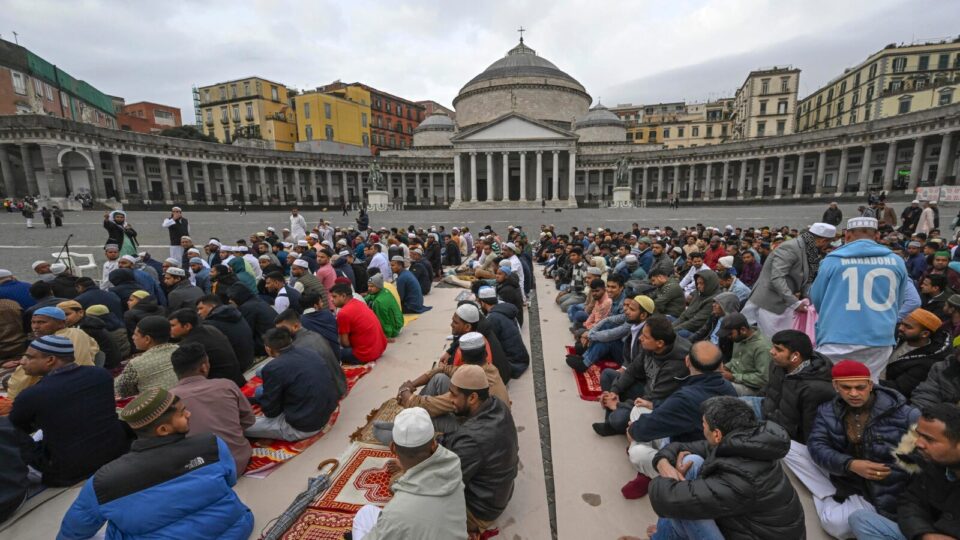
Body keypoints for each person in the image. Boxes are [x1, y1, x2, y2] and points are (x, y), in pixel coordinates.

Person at [57, 388, 254, 539]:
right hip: (235, 530)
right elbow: (230, 480)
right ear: (162, 429)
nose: (189, 415)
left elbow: (74, 531)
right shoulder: (211, 444)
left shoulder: (103, 482)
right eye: (182, 412)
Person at [647, 396, 805, 540]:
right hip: (747, 526)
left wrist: (668, 477)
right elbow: (684, 447)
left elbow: (667, 498)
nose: (702, 429)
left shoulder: (742, 479)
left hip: (752, 533)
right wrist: (663, 461)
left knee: (681, 509)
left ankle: (664, 535)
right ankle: (668, 533)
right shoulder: (745, 441)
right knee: (691, 461)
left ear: (717, 434)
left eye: (703, 424)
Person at [794, 360, 919, 539]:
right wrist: (850, 464)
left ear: (870, 385)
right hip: (847, 474)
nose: (853, 393)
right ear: (835, 386)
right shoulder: (827, 410)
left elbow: (923, 459)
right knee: (788, 449)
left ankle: (833, 499)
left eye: (860, 387)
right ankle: (832, 494)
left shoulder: (906, 414)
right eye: (846, 387)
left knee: (836, 526)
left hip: (884, 487)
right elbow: (817, 445)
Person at [620, 341, 737, 499]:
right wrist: (654, 404)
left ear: (687, 361)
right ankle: (651, 467)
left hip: (688, 454)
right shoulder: (729, 388)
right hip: (692, 442)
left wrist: (632, 431)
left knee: (636, 451)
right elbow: (672, 409)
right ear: (721, 366)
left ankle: (654, 474)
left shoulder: (688, 397)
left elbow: (646, 428)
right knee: (639, 409)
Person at [9, 335, 130, 487]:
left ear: (50, 360)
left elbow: (14, 429)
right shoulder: (100, 374)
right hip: (116, 453)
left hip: (66, 473)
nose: (22, 362)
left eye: (29, 357)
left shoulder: (32, 395)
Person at [810, 217, 914, 380]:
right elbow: (899, 301)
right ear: (877, 236)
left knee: (833, 383)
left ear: (848, 236)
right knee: (868, 383)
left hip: (837, 336)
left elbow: (817, 298)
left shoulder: (832, 261)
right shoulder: (896, 261)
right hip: (880, 336)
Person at [846, 403, 960, 539]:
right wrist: (925, 534)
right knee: (861, 519)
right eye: (919, 435)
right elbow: (910, 502)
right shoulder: (933, 463)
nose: (918, 443)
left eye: (929, 439)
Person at [351, 407, 467, 540]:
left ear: (393, 448)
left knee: (364, 514)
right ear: (434, 444)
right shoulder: (452, 464)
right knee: (370, 513)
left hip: (401, 519)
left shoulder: (395, 512)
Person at [443, 365, 519, 536]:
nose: (449, 399)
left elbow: (445, 484)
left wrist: (408, 470)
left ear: (473, 397)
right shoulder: (496, 404)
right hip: (497, 493)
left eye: (454, 394)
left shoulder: (471, 439)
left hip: (480, 510)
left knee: (407, 492)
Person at [594, 314, 690, 436]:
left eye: (645, 336)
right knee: (607, 375)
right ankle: (612, 414)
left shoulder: (676, 364)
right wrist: (614, 392)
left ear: (660, 343)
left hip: (655, 404)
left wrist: (619, 405)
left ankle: (613, 419)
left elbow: (654, 398)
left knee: (618, 419)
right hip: (644, 388)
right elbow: (632, 370)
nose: (640, 338)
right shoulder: (650, 345)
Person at [170, 343, 255, 473]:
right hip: (239, 460)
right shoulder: (226, 385)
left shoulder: (169, 399)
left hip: (202, 471)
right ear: (204, 367)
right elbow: (249, 419)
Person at [741, 329, 835, 445]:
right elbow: (769, 388)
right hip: (767, 410)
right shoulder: (779, 364)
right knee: (726, 409)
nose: (772, 352)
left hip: (785, 432)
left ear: (795, 356)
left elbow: (810, 430)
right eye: (773, 347)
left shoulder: (814, 388)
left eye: (779, 350)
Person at [743, 222, 834, 338]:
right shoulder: (790, 248)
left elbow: (807, 282)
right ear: (823, 241)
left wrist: (817, 302)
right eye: (829, 243)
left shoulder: (810, 250)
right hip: (770, 302)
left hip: (785, 302)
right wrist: (795, 303)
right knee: (776, 343)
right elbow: (777, 278)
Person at [246, 328, 337, 441]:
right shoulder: (309, 351)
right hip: (325, 411)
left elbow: (270, 412)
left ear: (268, 349)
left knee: (242, 426)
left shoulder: (273, 368)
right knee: (261, 390)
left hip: (304, 426)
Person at [6, 306, 99, 401]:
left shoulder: (48, 341)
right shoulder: (79, 333)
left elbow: (21, 380)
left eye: (42, 322)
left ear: (61, 323)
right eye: (33, 322)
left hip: (55, 392)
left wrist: (12, 398)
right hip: (86, 383)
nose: (35, 327)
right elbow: (93, 349)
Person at [274, 309, 347, 399]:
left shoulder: (297, 348)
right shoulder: (314, 334)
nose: (279, 333)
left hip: (328, 394)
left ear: (295, 326)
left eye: (282, 330)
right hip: (340, 385)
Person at [881, 308, 950, 400]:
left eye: (908, 327)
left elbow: (900, 388)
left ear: (924, 334)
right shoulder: (901, 336)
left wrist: (868, 381)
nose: (900, 328)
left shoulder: (927, 362)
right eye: (902, 323)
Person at [168, 309, 245, 387]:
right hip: (237, 379)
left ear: (187, 326)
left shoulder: (188, 345)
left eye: (172, 326)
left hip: (222, 387)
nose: (169, 329)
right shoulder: (210, 328)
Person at [114, 316, 179, 398]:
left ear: (147, 339)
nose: (133, 337)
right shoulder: (179, 350)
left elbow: (122, 391)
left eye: (136, 334)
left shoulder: (137, 363)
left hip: (156, 406)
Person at [477, 287, 529, 378]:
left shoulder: (493, 318)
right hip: (521, 358)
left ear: (483, 303)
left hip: (514, 364)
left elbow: (490, 345)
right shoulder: (503, 309)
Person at [330, 282, 387, 364]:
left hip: (366, 354)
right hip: (380, 348)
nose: (331, 300)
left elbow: (345, 343)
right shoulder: (358, 302)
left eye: (334, 296)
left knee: (332, 353)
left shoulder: (343, 313)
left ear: (343, 296)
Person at [197, 294, 255, 372]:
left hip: (235, 367)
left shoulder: (210, 324)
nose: (198, 312)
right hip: (249, 359)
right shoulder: (235, 313)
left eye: (201, 308)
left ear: (212, 306)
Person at [717, 313, 772, 396]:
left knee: (718, 388)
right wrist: (724, 367)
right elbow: (735, 361)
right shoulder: (739, 338)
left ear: (743, 330)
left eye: (730, 334)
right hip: (736, 379)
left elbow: (763, 379)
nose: (728, 337)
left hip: (753, 388)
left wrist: (733, 377)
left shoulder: (762, 347)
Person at [226, 282, 275, 356]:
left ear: (239, 297)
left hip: (265, 345)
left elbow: (246, 333)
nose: (229, 301)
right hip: (274, 339)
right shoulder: (257, 300)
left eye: (232, 298)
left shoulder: (246, 308)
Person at [364, 273, 404, 339]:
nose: (369, 288)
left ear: (378, 286)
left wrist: (387, 336)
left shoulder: (379, 302)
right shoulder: (385, 291)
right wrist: (362, 300)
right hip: (398, 324)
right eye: (368, 286)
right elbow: (370, 296)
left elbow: (384, 321)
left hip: (394, 330)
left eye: (372, 286)